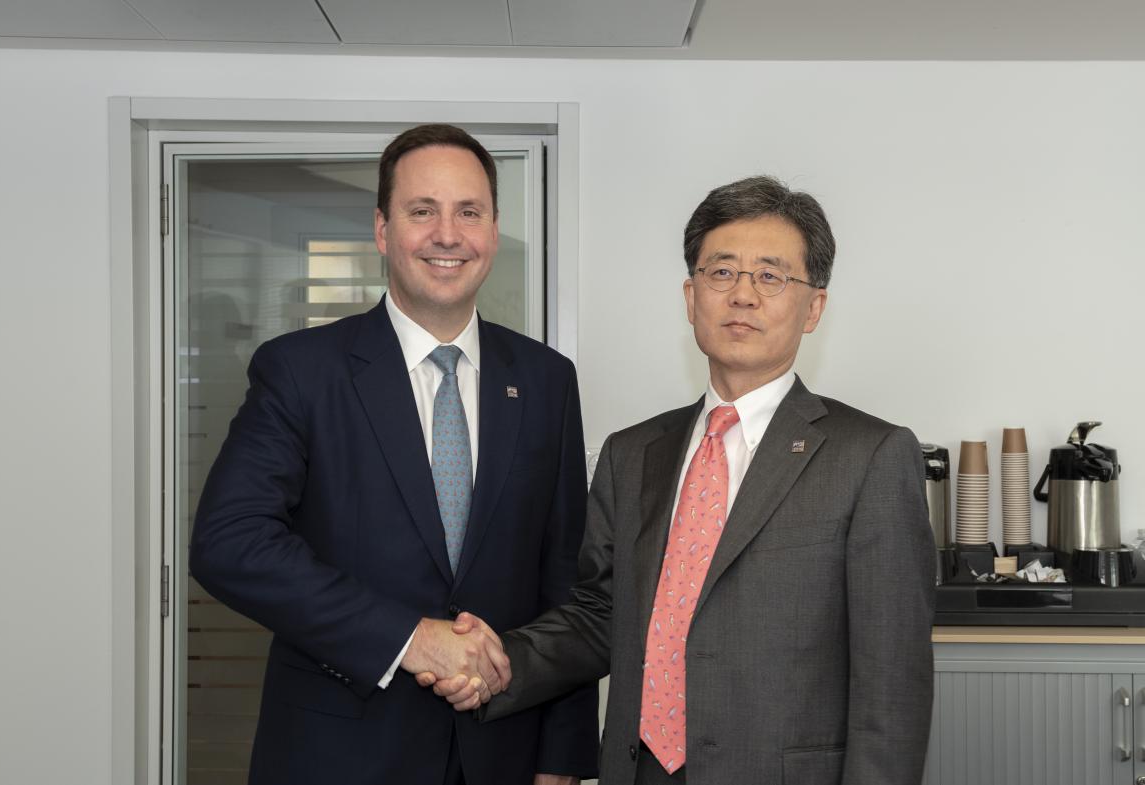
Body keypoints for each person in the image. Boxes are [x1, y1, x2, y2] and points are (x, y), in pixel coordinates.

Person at [423, 175, 936, 784]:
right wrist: (499, 662)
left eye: (770, 276)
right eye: (722, 273)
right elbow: (598, 615)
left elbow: (892, 689)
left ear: (814, 307)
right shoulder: (632, 452)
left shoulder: (871, 455)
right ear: (691, 298)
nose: (742, 295)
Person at [190, 123, 598, 785]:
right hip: (338, 754)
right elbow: (229, 541)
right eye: (421, 210)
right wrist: (411, 635)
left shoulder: (548, 380)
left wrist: (563, 756)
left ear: (493, 230)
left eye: (469, 211)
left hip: (504, 752)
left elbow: (566, 580)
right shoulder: (301, 371)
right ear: (382, 229)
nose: (447, 233)